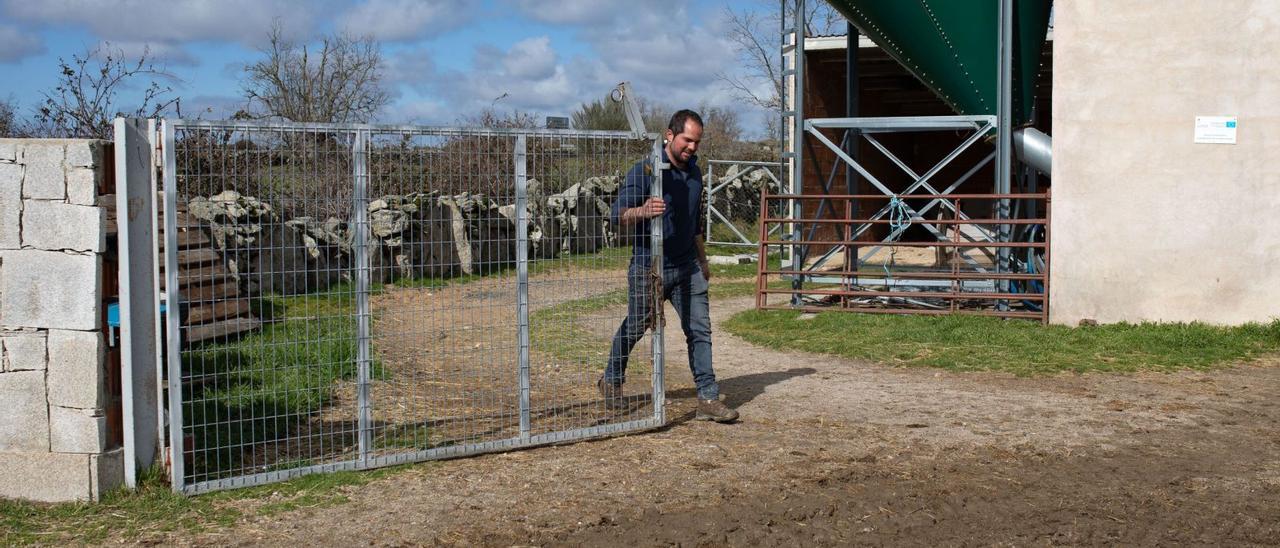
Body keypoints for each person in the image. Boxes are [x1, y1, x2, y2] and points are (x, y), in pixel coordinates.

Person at [599, 109, 739, 423]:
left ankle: (708, 396)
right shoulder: (645, 171)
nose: (692, 147)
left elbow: (694, 221)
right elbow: (615, 216)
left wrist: (702, 259)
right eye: (687, 140)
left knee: (700, 330)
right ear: (669, 135)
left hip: (687, 264)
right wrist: (643, 210)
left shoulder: (695, 173)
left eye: (697, 142)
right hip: (649, 266)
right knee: (636, 326)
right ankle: (611, 379)